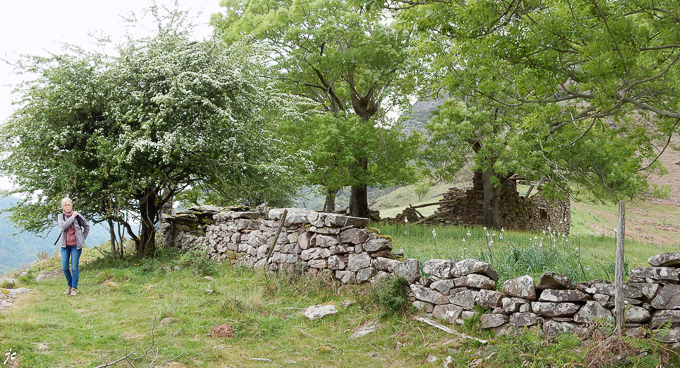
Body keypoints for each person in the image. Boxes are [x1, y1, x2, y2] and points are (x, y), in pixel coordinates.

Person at [58, 197, 89, 296]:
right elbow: (63, 227)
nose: (67, 207)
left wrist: (82, 238)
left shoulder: (78, 216)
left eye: (69, 205)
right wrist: (72, 217)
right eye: (65, 205)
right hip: (65, 246)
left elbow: (87, 227)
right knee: (65, 268)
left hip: (76, 246)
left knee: (75, 267)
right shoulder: (61, 216)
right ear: (63, 207)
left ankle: (74, 288)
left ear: (71, 206)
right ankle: (69, 286)